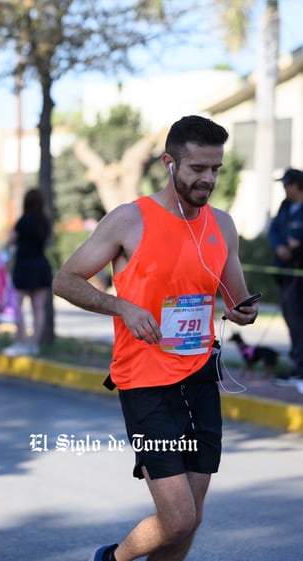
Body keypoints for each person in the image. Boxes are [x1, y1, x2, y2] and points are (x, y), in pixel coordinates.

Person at [52, 115, 258, 561]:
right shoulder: (130, 219)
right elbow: (65, 280)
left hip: (201, 378)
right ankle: (112, 559)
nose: (208, 179)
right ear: (169, 163)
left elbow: (237, 299)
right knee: (178, 517)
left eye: (215, 169)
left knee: (191, 519)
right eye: (197, 169)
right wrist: (122, 306)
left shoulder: (221, 225)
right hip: (145, 382)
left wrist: (244, 310)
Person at [4, 189, 52, 357]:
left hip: (24, 266)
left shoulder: (23, 220)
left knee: (17, 306)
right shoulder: (45, 221)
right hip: (41, 266)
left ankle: (20, 341)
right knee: (38, 308)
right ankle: (34, 344)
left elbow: (9, 241)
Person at [267, 168, 303, 383]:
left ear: (296, 185)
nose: (284, 188)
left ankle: (300, 367)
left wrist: (298, 249)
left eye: (286, 184)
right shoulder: (285, 206)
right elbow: (274, 231)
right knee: (292, 320)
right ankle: (297, 364)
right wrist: (280, 246)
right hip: (286, 274)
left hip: (300, 274)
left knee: (299, 321)